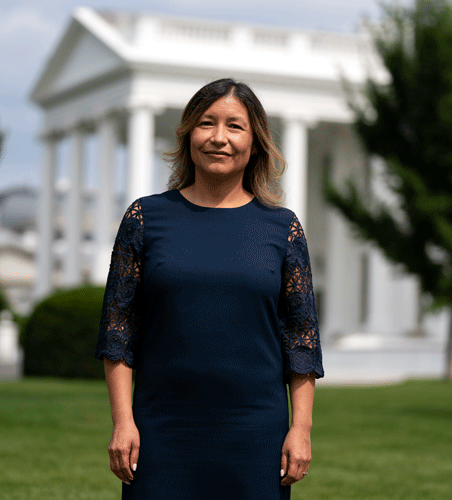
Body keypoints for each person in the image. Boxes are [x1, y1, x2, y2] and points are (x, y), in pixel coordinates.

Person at [95, 77, 324, 500]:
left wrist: (301, 428)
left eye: (235, 126)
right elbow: (118, 330)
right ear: (188, 135)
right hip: (161, 429)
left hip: (256, 433)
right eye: (207, 123)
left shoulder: (282, 228)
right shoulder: (145, 218)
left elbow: (301, 339)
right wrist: (123, 421)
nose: (219, 138)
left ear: (255, 142)